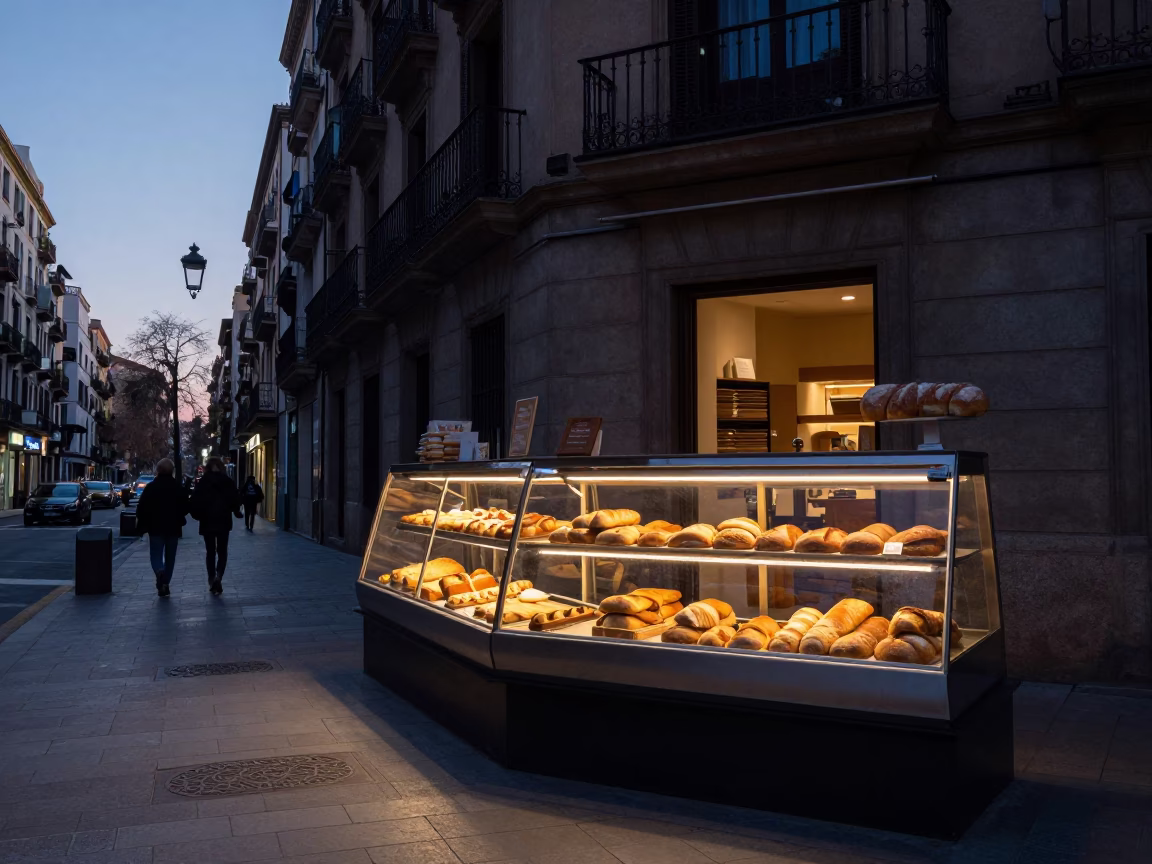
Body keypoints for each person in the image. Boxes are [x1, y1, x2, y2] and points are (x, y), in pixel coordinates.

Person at [133, 458, 187, 597]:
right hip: (173, 527)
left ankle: (159, 570)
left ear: (158, 470)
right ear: (172, 471)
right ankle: (165, 583)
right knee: (171, 557)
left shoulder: (151, 487)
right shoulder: (177, 487)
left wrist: (141, 523)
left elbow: (142, 507)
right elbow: (185, 506)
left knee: (156, 554)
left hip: (155, 527)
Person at [188, 457, 242, 595]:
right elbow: (235, 500)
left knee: (210, 552)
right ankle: (219, 576)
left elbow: (195, 501)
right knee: (222, 551)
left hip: (207, 521)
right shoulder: (228, 482)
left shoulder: (203, 482)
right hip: (223, 520)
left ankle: (211, 579)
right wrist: (235, 510)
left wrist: (197, 515)